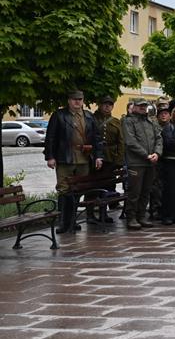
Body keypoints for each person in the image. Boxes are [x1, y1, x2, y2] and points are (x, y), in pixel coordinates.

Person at [44, 90, 104, 233]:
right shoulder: (59, 115)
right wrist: (50, 157)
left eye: (80, 99)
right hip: (65, 157)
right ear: (69, 100)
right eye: (74, 99)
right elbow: (50, 137)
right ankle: (63, 222)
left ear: (83, 100)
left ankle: (73, 221)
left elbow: (97, 138)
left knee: (79, 190)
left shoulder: (89, 116)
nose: (77, 102)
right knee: (64, 189)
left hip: (84, 158)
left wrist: (98, 156)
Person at [121, 98, 162, 231]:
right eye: (140, 106)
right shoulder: (128, 121)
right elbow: (130, 141)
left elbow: (159, 138)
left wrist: (157, 153)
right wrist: (146, 155)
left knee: (146, 190)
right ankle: (131, 217)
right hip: (136, 162)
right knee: (135, 191)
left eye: (144, 106)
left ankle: (141, 216)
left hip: (150, 162)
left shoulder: (151, 121)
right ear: (133, 107)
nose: (143, 108)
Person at [89, 95, 122, 223]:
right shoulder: (92, 119)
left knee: (109, 186)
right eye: (105, 104)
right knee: (93, 187)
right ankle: (91, 213)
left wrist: (119, 160)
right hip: (94, 157)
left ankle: (104, 213)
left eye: (110, 104)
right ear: (100, 105)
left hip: (110, 158)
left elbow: (121, 142)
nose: (107, 106)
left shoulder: (116, 122)